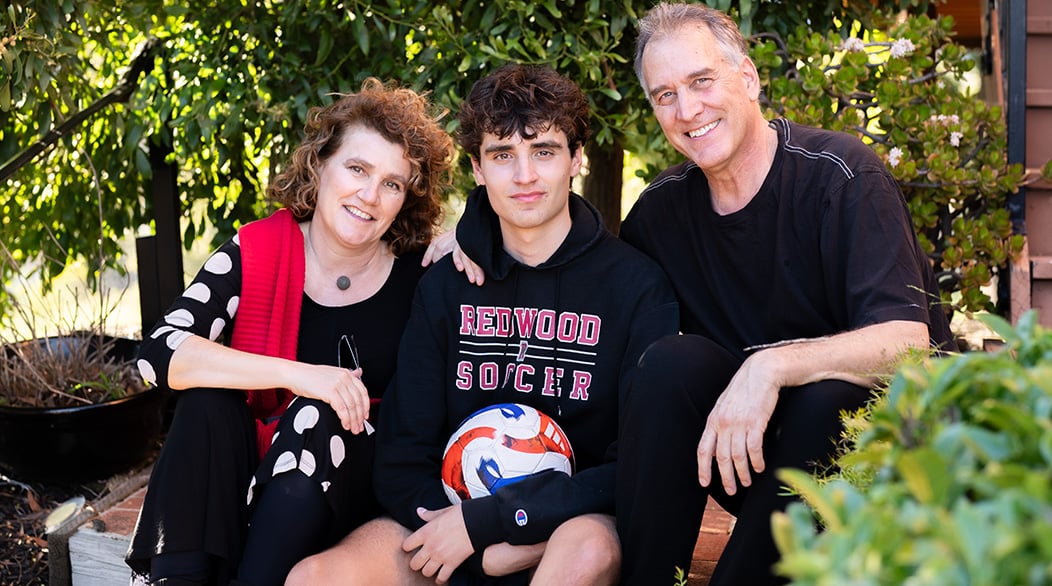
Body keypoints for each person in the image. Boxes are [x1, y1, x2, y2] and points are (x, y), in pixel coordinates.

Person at [286, 64, 679, 585]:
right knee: (314, 578)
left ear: (576, 159)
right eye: (502, 156)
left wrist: (493, 523)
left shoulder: (637, 287)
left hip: (567, 526)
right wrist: (472, 547)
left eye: (544, 152)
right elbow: (402, 454)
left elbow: (634, 464)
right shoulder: (447, 284)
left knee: (587, 548)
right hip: (444, 525)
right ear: (476, 167)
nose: (524, 176)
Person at [614, 3, 957, 585]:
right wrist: (481, 236)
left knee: (828, 396)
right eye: (664, 94)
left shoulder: (842, 175)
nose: (687, 109)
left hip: (881, 468)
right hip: (756, 463)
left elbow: (909, 342)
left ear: (747, 78)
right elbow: (589, 280)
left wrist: (770, 367)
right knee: (669, 365)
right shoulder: (659, 214)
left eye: (701, 81)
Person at [125, 78, 455, 586]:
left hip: (356, 491)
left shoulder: (424, 272)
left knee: (317, 417)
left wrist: (472, 237)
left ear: (404, 198)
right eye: (357, 169)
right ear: (319, 165)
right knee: (206, 404)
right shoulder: (257, 250)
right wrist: (302, 375)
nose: (369, 195)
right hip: (253, 482)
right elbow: (159, 355)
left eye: (392, 183)